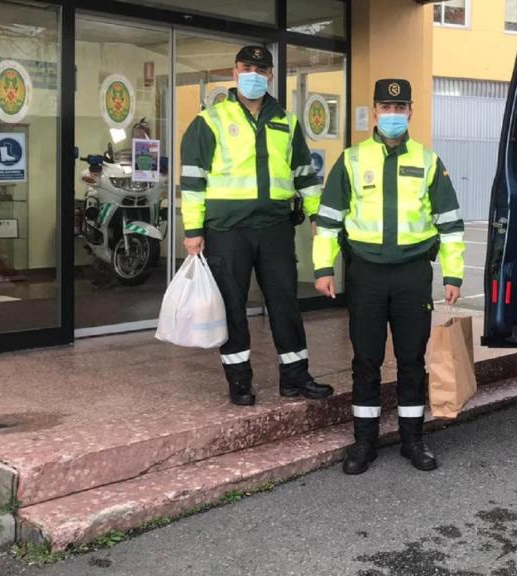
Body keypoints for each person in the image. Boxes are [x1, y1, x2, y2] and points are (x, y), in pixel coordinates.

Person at [312, 79, 465, 475]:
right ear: (374, 111)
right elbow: (328, 221)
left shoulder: (429, 161)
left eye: (400, 108)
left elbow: (449, 223)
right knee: (366, 359)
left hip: (413, 274)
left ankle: (413, 438)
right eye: (385, 107)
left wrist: (453, 274)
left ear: (410, 111)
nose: (393, 115)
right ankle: (364, 441)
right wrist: (324, 268)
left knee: (412, 358)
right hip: (366, 274)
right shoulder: (351, 159)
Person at [179, 45, 332, 406]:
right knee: (232, 306)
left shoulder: (286, 121)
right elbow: (192, 180)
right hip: (227, 230)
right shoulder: (210, 120)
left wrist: (316, 216)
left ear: (271, 76)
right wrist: (192, 230)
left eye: (261, 70)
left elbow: (305, 176)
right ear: (235, 72)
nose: (254, 75)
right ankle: (240, 382)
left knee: (285, 303)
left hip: (275, 228)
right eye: (247, 67)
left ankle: (295, 377)